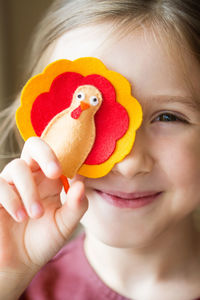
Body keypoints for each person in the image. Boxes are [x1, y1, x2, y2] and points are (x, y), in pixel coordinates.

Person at [0, 0, 200, 299]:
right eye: (101, 117)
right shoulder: (19, 286)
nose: (128, 163)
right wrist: (8, 277)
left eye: (168, 117)